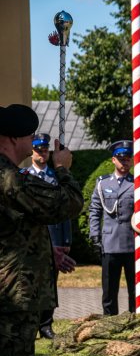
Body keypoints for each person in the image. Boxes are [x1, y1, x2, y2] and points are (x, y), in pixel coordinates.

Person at [0, 103, 83, 356]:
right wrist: (62, 169)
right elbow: (65, 204)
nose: (35, 140)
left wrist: (49, 252)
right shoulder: (8, 177)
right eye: (31, 134)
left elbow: (16, 227)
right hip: (11, 303)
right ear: (11, 137)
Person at [89, 140, 140, 316]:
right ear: (114, 160)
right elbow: (95, 210)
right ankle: (109, 321)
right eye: (121, 159)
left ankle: (134, 320)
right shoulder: (103, 183)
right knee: (109, 290)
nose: (125, 162)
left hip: (132, 242)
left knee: (135, 289)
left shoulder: (138, 183)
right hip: (110, 242)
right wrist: (95, 235)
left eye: (128, 158)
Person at [27, 133, 73, 339]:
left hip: (54, 240)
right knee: (29, 283)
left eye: (45, 149)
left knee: (49, 285)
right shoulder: (23, 176)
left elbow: (66, 212)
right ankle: (30, 323)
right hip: (29, 241)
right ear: (31, 151)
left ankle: (46, 324)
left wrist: (66, 240)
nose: (42, 152)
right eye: (38, 149)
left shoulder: (57, 178)